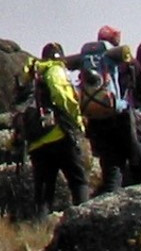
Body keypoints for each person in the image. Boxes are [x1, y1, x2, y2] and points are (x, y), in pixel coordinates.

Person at [74, 27, 141, 192]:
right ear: (115, 41)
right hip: (126, 119)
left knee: (112, 173)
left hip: (98, 122)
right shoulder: (126, 60)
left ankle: (112, 211)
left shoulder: (88, 63)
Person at [19, 43, 90, 215]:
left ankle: (38, 231)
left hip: (36, 142)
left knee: (43, 191)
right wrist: (77, 121)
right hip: (58, 134)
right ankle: (85, 219)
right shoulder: (54, 70)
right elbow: (61, 96)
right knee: (77, 180)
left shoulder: (30, 79)